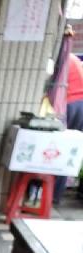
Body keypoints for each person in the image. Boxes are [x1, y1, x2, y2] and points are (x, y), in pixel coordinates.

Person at [54, 51, 83, 204]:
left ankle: (53, 194)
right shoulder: (71, 57)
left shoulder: (61, 58)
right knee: (69, 150)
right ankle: (56, 195)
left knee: (61, 148)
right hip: (80, 104)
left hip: (71, 104)